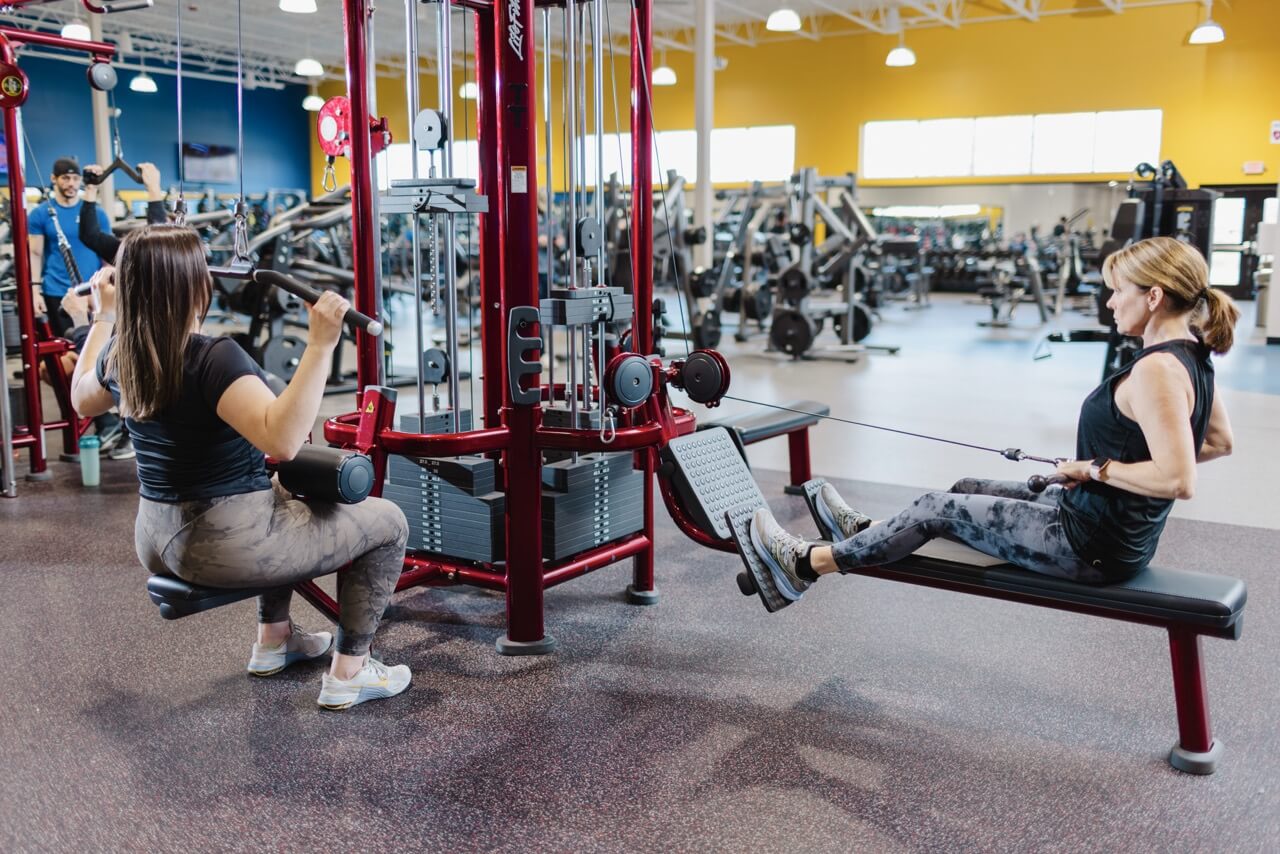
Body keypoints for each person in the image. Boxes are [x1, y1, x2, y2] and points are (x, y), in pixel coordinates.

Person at [749, 236, 1238, 607]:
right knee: (966, 485)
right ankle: (868, 534)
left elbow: (1177, 478)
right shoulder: (1196, 356)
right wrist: (1115, 469)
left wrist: (1096, 469)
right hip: (1098, 523)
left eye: (1117, 293)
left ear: (1152, 297)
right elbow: (1217, 442)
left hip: (1089, 547)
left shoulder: (1157, 369)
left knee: (935, 507)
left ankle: (805, 564)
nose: (1109, 303)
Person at [69, 225, 412, 709]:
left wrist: (104, 316)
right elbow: (284, 439)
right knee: (389, 522)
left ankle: (275, 641)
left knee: (284, 492)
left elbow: (81, 397)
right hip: (222, 543)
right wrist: (319, 346)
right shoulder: (213, 357)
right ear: (193, 285)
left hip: (155, 537)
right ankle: (351, 671)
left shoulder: (121, 355)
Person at [26, 157, 112, 338]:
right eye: (65, 178)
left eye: (75, 179)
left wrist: (102, 289)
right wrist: (34, 292)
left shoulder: (96, 213)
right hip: (56, 291)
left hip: (91, 290)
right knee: (64, 349)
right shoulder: (40, 214)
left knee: (95, 345)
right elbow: (34, 254)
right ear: (53, 178)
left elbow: (107, 258)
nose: (71, 183)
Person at [79, 161, 169, 262]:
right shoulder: (130, 255)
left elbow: (158, 241)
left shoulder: (171, 255)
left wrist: (154, 189)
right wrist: (91, 188)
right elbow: (90, 236)